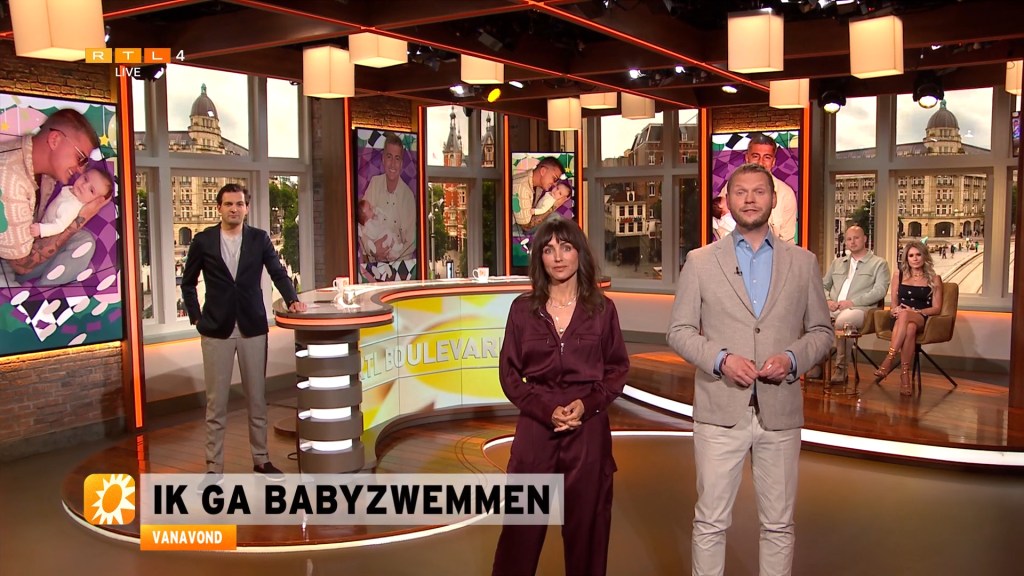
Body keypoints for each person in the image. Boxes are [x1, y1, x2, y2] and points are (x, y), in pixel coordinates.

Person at [667, 163, 832, 576]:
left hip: (780, 412)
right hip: (719, 410)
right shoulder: (700, 262)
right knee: (710, 522)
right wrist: (721, 359)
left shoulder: (803, 262)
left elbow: (822, 332)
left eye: (759, 191)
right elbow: (679, 331)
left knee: (779, 524)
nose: (750, 199)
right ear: (727, 201)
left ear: (774, 199)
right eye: (741, 192)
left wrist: (791, 358)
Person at [492, 216, 630, 576]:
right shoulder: (522, 310)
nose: (557, 257)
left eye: (566, 248)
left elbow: (617, 370)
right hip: (536, 431)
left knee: (587, 534)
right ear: (539, 257)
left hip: (588, 433)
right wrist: (545, 410)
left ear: (579, 254)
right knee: (519, 536)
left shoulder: (602, 309)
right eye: (548, 249)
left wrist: (587, 404)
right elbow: (509, 375)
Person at [181, 183, 307, 481]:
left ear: (246, 208)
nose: (234, 209)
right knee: (216, 404)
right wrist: (196, 317)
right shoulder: (203, 240)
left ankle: (261, 460)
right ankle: (214, 467)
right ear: (219, 208)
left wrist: (292, 299)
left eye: (239, 204)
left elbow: (278, 272)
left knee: (257, 399)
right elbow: (188, 282)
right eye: (228, 204)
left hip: (252, 327)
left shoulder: (259, 239)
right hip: (216, 330)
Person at [0, 109, 108, 286]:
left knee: (83, 240)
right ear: (55, 140)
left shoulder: (45, 174)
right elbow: (21, 265)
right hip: (10, 266)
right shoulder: (10, 181)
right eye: (80, 158)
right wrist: (81, 218)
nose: (81, 170)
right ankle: (40, 296)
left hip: (26, 250)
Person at [874, 241, 943, 396]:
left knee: (907, 316)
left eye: (918, 254)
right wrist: (895, 310)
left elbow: (937, 308)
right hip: (899, 319)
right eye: (911, 255)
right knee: (909, 327)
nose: (915, 258)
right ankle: (905, 376)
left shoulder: (934, 278)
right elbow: (893, 303)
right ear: (906, 258)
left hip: (921, 316)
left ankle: (889, 359)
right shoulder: (898, 275)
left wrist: (916, 311)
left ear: (924, 256)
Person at [822, 225, 890, 382]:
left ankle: (841, 369)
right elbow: (822, 285)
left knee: (844, 321)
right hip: (834, 307)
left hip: (861, 309)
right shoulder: (837, 263)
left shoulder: (879, 263)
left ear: (865, 239)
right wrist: (828, 301)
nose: (852, 242)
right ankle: (816, 365)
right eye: (849, 239)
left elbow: (880, 291)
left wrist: (852, 302)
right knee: (809, 316)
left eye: (856, 238)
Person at [720, 133, 798, 244]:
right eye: (755, 156)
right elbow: (720, 223)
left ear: (773, 162)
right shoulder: (731, 187)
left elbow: (787, 242)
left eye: (767, 157)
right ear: (747, 158)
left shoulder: (786, 194)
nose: (761, 162)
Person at [362, 132, 416, 263]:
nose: (392, 164)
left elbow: (411, 241)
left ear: (401, 163)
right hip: (374, 265)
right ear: (383, 159)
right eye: (389, 157)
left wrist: (391, 256)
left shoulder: (408, 196)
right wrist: (374, 250)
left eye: (397, 158)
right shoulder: (374, 184)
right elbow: (361, 222)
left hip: (400, 266)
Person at [30, 165, 114, 239]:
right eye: (85, 179)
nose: (84, 186)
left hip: (44, 232)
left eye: (91, 190)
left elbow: (60, 226)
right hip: (42, 220)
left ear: (95, 201)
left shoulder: (73, 207)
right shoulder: (72, 190)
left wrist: (41, 230)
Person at [512, 156, 568, 232]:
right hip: (511, 229)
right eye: (554, 178)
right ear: (543, 171)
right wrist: (554, 206)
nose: (555, 184)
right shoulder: (521, 187)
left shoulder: (538, 186)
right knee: (555, 218)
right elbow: (526, 226)